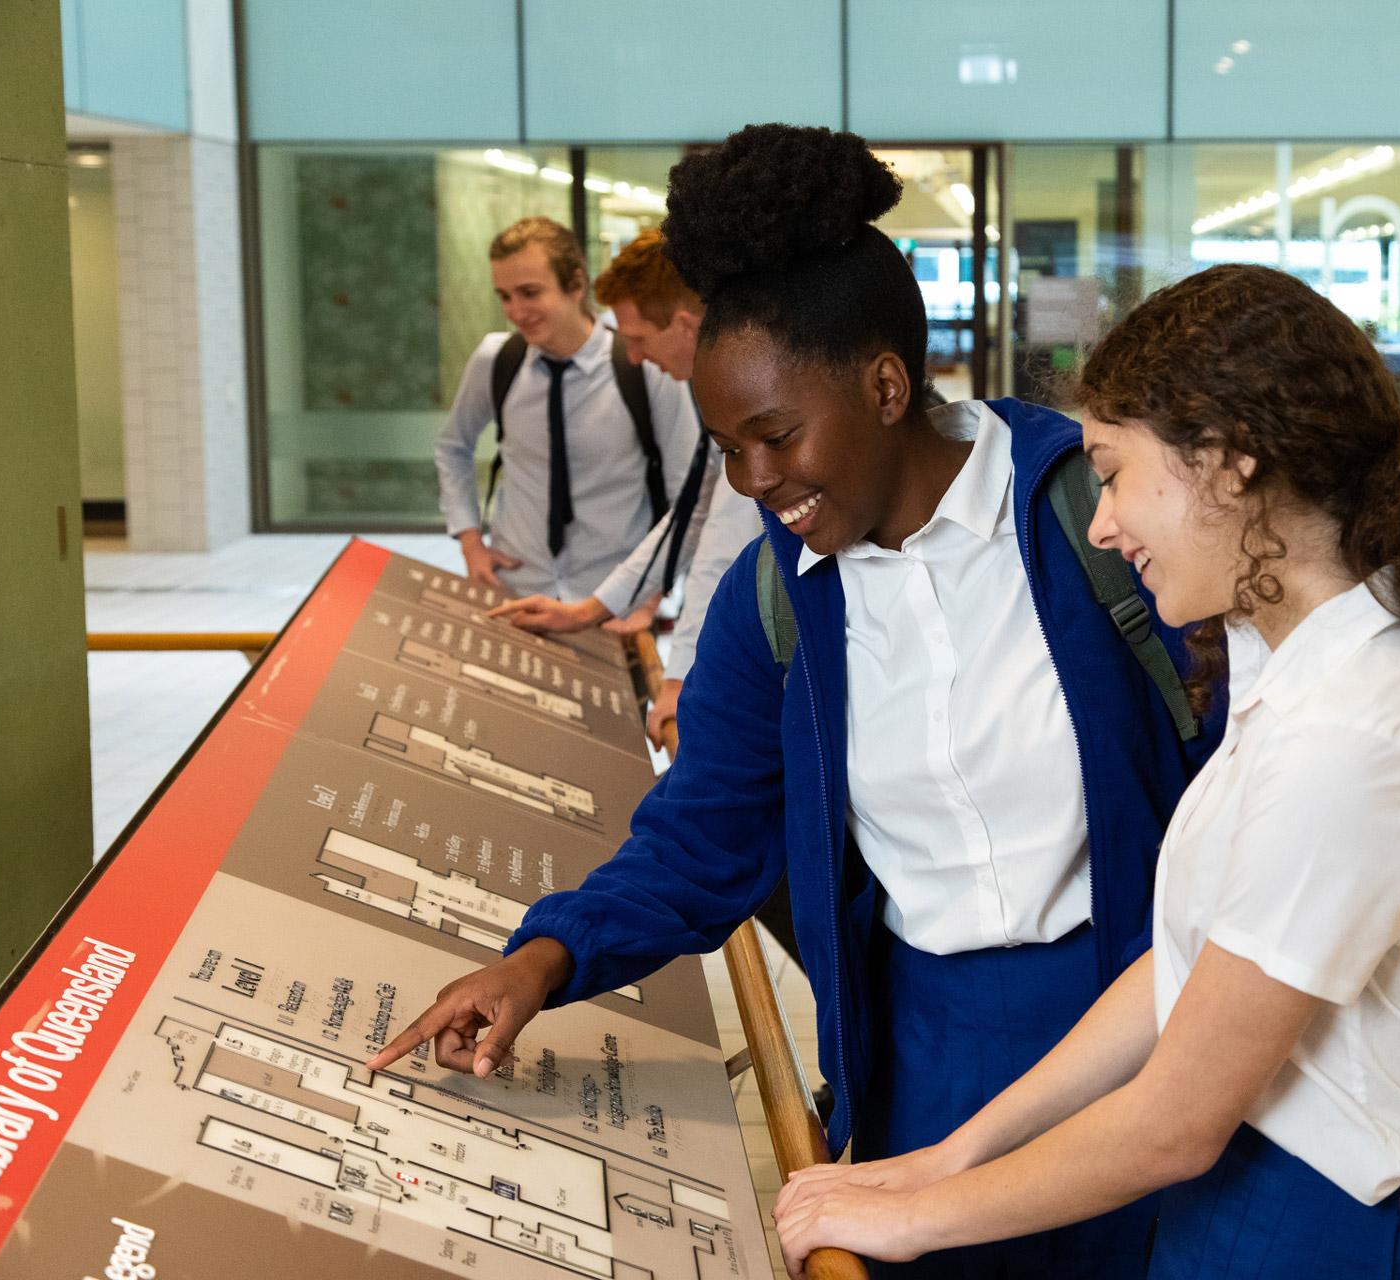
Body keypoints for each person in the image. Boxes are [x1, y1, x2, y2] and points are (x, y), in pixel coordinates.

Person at [370, 124, 1216, 1277]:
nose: (756, 482)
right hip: (923, 1063)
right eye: (727, 448)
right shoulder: (775, 604)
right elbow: (704, 832)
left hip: (1144, 1039)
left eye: (775, 435)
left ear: (884, 383)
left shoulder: (1094, 516)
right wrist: (544, 960)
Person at [773, 264, 1400, 1278]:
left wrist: (915, 1220)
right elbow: (1187, 969)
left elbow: (1175, 1122)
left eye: (1115, 472)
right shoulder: (1299, 666)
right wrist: (948, 1157)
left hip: (1331, 1233)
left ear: (1225, 463)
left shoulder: (1358, 730)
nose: (1101, 522)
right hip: (1251, 1206)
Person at [489, 227, 762, 744]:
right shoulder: (719, 391)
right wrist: (591, 610)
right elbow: (693, 510)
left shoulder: (750, 396)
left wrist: (680, 675)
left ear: (684, 326)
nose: (632, 356)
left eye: (637, 338)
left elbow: (720, 547)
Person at [434, 217, 701, 598]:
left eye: (529, 292)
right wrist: (470, 541)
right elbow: (453, 448)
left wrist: (649, 595)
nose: (515, 310)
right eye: (504, 296)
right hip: (517, 587)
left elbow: (689, 494)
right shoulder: (495, 361)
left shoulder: (643, 365)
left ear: (576, 284)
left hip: (610, 597)